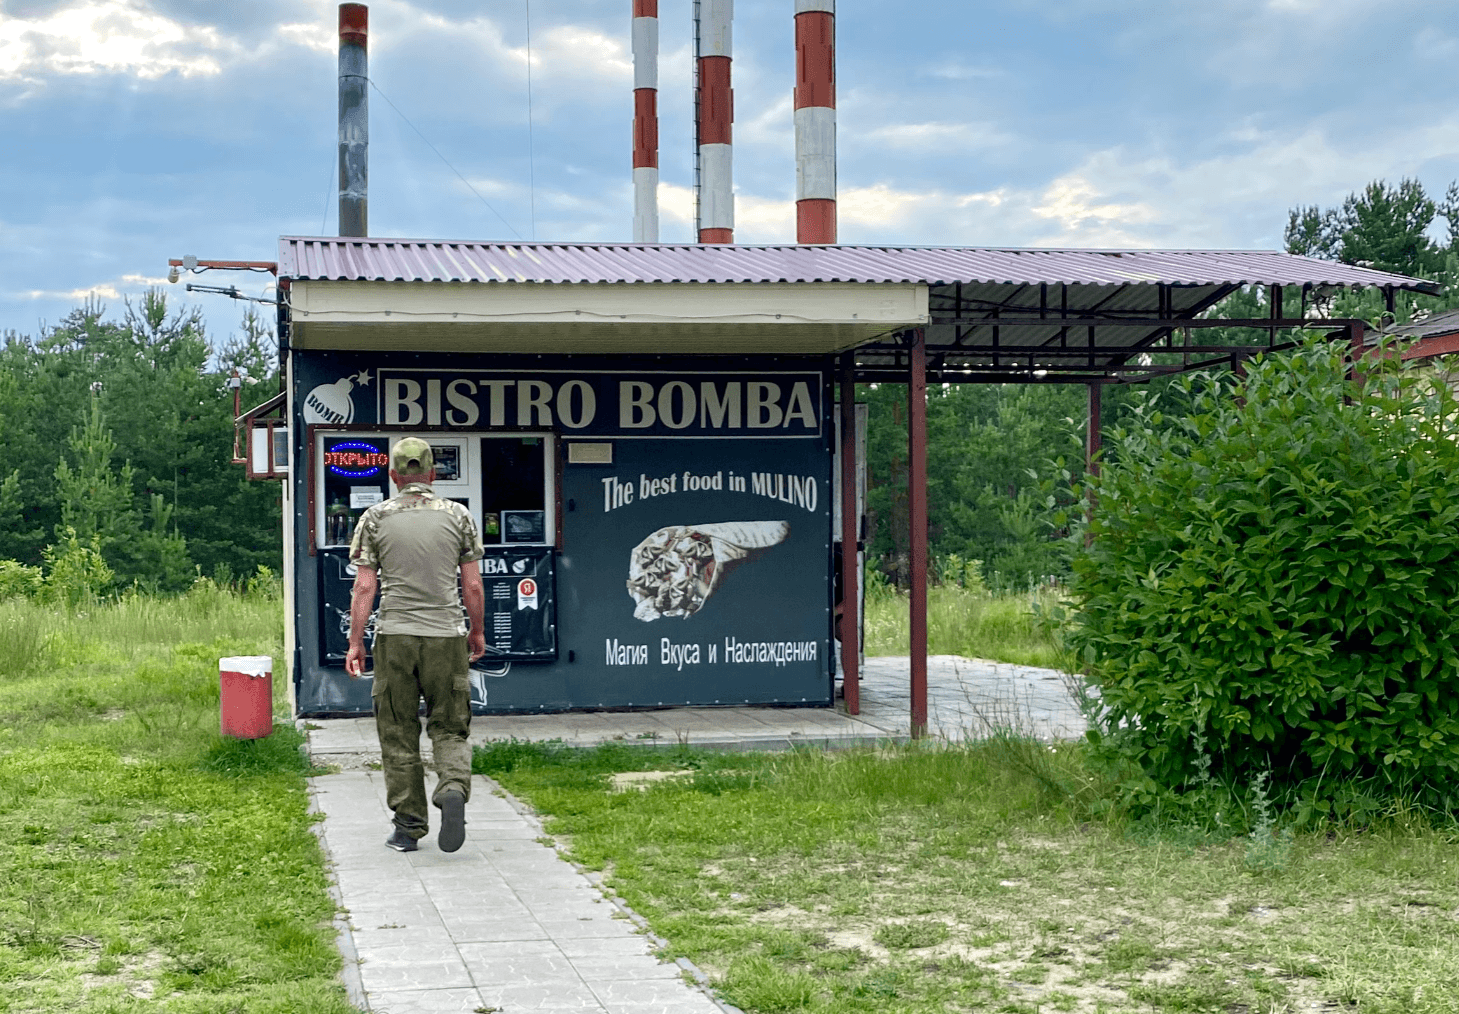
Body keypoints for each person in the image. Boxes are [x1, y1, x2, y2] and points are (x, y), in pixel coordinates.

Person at [345, 437, 487, 853]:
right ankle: (453, 788)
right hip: (446, 635)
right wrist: (475, 631)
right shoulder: (458, 517)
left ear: (393, 475)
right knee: (450, 725)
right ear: (432, 474)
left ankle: (408, 827)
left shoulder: (375, 517)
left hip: (395, 636)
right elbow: (473, 585)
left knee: (398, 730)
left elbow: (364, 586)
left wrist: (356, 641)